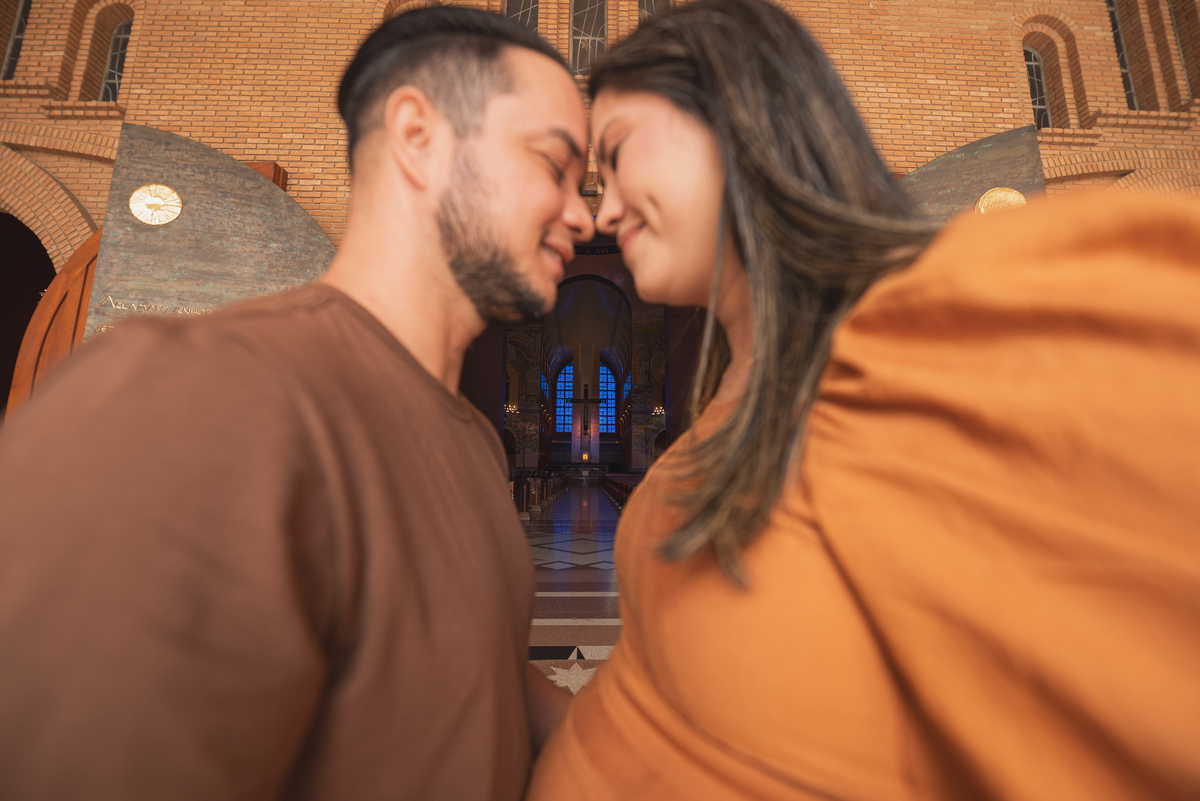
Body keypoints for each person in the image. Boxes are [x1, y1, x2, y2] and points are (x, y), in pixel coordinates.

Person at [527, 0, 1200, 798]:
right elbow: (661, 699)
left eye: (619, 149)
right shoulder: (730, 403)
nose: (600, 210)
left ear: (740, 117)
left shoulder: (982, 307)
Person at [0, 8, 591, 799]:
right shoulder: (190, 391)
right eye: (554, 164)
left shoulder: (475, 440)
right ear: (419, 136)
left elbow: (466, 679)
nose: (586, 214)